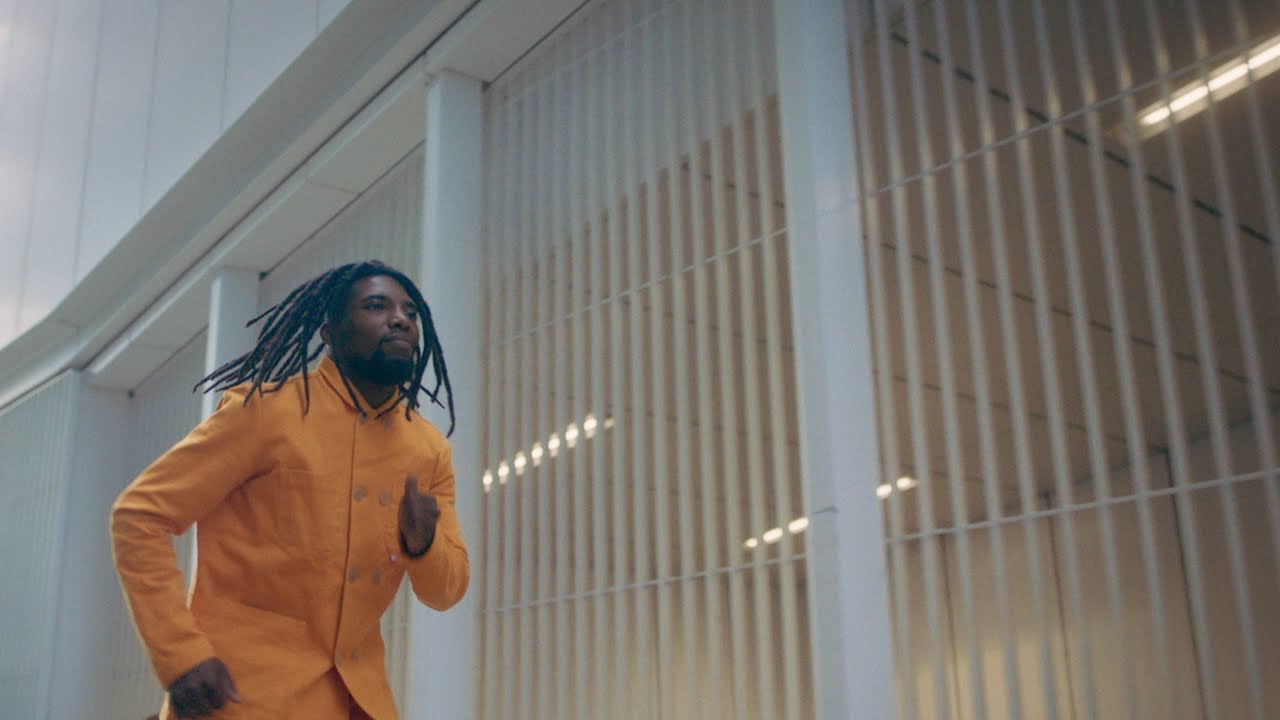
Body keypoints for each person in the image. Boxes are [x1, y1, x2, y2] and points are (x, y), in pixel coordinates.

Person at [111, 260, 469, 719]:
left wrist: (423, 544)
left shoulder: (428, 449)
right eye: (376, 306)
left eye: (410, 312)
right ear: (331, 333)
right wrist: (181, 655)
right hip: (241, 697)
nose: (400, 319)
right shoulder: (266, 412)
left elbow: (446, 591)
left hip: (358, 704)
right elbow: (139, 515)